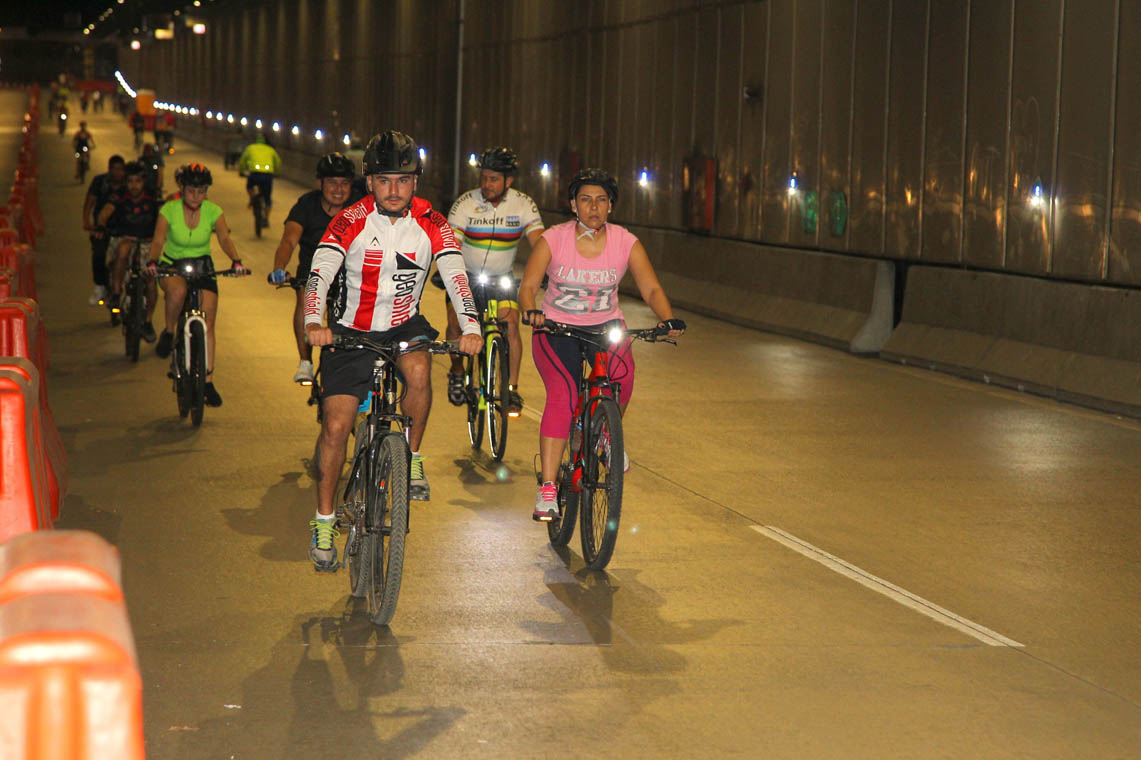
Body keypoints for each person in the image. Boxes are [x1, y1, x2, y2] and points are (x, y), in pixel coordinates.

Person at [302, 130, 481, 571]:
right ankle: (325, 520)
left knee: (420, 372)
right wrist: (313, 322)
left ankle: (411, 457)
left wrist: (472, 326)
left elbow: (456, 276)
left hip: (404, 325)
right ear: (369, 181)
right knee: (336, 426)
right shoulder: (350, 220)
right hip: (351, 331)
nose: (395, 190)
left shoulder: (433, 222)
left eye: (403, 180)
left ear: (416, 181)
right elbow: (319, 273)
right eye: (384, 181)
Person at [518, 168, 686, 522]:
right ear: (572, 205)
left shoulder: (626, 242)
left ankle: (604, 436)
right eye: (585, 199)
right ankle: (548, 487)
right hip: (556, 329)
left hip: (604, 327)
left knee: (623, 374)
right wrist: (531, 311)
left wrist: (666, 318)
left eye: (601, 200)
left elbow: (650, 288)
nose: (593, 207)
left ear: (611, 206)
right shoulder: (554, 239)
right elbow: (528, 285)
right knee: (563, 396)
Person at [445, 147, 544, 415]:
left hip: (501, 277)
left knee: (511, 322)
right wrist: (448, 271)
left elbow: (540, 243)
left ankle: (510, 389)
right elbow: (452, 243)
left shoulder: (523, 204)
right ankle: (456, 371)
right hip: (466, 275)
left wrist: (546, 268)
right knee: (456, 322)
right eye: (484, 178)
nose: (486, 184)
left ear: (508, 181)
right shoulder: (466, 203)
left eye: (493, 179)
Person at [145, 164, 248, 407]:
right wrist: (152, 260)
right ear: (183, 189)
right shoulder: (169, 210)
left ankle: (208, 380)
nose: (196, 196)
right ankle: (170, 332)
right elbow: (159, 239)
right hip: (172, 264)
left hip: (202, 266)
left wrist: (236, 261)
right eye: (192, 191)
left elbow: (224, 237)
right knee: (178, 291)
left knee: (208, 322)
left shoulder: (213, 211)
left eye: (201, 191)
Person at [267, 152, 364, 383]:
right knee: (305, 299)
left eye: (345, 184)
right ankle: (305, 361)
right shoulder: (306, 205)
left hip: (348, 272)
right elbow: (289, 240)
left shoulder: (359, 206)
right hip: (313, 271)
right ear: (320, 183)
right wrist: (279, 268)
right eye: (332, 183)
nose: (339, 189)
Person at [96, 161, 160, 341]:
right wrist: (101, 224)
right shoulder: (119, 197)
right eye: (130, 181)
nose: (134, 186)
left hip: (147, 243)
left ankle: (148, 321)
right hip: (124, 239)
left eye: (138, 181)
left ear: (143, 182)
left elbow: (164, 215)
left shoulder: (151, 198)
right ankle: (116, 293)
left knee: (151, 282)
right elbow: (105, 212)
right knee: (122, 251)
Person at [82, 155, 126, 306]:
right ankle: (99, 286)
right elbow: (90, 201)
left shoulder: (129, 185)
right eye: (114, 169)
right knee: (99, 254)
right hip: (103, 228)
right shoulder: (100, 182)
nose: (117, 173)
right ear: (109, 170)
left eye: (121, 169)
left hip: (123, 229)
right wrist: (86, 221)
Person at [237, 134, 283, 225]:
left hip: (254, 174)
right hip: (267, 175)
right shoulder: (271, 150)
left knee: (249, 187)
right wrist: (277, 173)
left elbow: (243, 160)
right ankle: (266, 219)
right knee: (267, 198)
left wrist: (241, 171)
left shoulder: (250, 148)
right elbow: (278, 162)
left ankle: (252, 198)